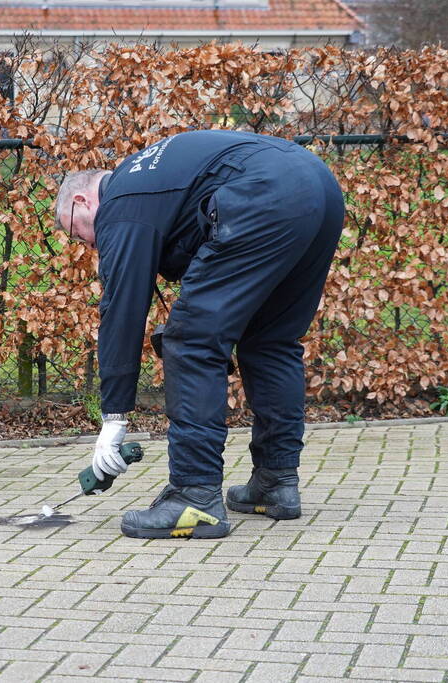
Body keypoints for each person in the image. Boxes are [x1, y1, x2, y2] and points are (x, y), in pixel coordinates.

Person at [55, 130, 345, 539]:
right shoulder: (146, 180)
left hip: (265, 193)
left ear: (82, 201)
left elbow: (121, 309)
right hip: (319, 188)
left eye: (76, 232)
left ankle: (194, 496)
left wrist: (113, 418)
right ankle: (276, 482)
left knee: (191, 342)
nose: (88, 245)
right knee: (271, 342)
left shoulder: (121, 201)